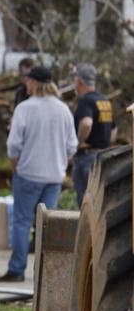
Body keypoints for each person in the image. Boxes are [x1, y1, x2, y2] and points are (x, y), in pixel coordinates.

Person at [0, 67, 77, 282]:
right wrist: (60, 162)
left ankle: (17, 269)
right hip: (54, 177)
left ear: (33, 83)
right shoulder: (63, 109)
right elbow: (72, 146)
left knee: (22, 222)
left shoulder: (24, 108)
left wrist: (16, 165)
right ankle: (47, 272)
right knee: (48, 224)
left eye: (28, 81)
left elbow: (13, 145)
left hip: (28, 174)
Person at [70, 63, 115, 207]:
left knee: (85, 205)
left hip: (86, 158)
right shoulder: (104, 100)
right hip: (103, 156)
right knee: (99, 204)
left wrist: (77, 143)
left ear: (79, 81)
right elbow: (113, 130)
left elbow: (86, 123)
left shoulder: (86, 101)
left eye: (74, 79)